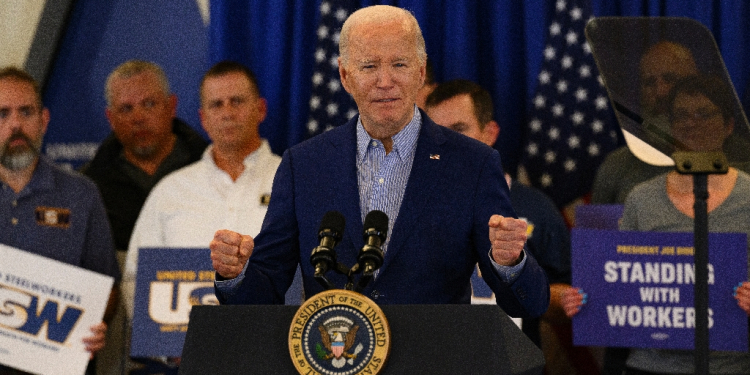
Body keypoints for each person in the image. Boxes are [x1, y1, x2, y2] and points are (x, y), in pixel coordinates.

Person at [210, 5, 549, 316]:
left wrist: (510, 262)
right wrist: (236, 273)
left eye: (399, 64)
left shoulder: (473, 164)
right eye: (369, 66)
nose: (385, 82)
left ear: (420, 72)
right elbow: (264, 289)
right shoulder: (304, 165)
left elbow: (528, 303)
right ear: (346, 77)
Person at [563, 74, 750, 374]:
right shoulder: (642, 198)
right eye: (681, 116)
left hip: (730, 366)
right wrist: (587, 300)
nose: (691, 123)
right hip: (648, 366)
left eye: (703, 113)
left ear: (729, 125)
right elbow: (619, 284)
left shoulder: (748, 198)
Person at [123, 60, 280, 319]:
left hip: (272, 349)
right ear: (203, 119)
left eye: (237, 101)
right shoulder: (170, 190)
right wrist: (162, 346)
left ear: (260, 109)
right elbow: (134, 279)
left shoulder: (292, 180)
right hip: (184, 353)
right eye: (216, 104)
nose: (227, 113)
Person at [81, 60, 207, 375]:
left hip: (196, 309)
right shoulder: (88, 186)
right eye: (125, 109)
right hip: (117, 332)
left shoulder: (211, 169)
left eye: (149, 104)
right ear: (110, 118)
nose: (138, 117)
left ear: (171, 106)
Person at [424, 79, 571, 348]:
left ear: (489, 132)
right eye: (436, 133)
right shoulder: (413, 205)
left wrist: (557, 298)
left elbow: (565, 293)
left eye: (459, 129)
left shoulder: (537, 207)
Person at [0, 66, 120, 373]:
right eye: (2, 114)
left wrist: (95, 323)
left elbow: (108, 288)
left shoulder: (81, 194)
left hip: (59, 365)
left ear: (44, 120)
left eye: (26, 112)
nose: (15, 124)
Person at [591, 41, 698, 205]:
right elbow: (598, 228)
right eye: (649, 83)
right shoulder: (617, 166)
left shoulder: (736, 157)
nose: (661, 92)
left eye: (670, 79)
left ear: (695, 83)